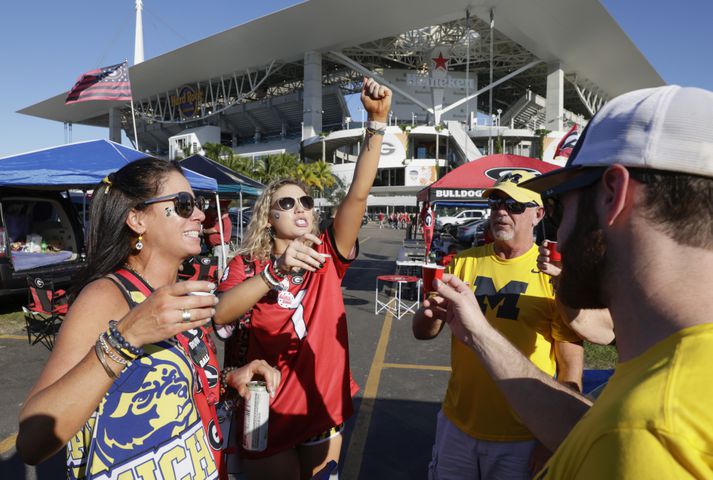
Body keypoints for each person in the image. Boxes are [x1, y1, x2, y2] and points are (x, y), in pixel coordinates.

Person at [430, 85, 713, 478]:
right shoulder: (678, 376)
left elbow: (616, 433)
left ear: (613, 194)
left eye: (562, 202)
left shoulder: (642, 437)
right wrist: (478, 333)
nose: (558, 232)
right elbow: (590, 429)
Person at [16, 158, 280, 480]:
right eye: (184, 204)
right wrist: (125, 338)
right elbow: (32, 440)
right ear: (137, 219)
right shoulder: (106, 297)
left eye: (197, 203)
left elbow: (174, 387)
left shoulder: (177, 294)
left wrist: (228, 380)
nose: (200, 215)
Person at [213, 77, 391, 480]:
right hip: (265, 409)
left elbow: (358, 195)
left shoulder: (328, 254)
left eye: (306, 201)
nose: (300, 207)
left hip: (320, 406)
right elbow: (220, 314)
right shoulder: (248, 265)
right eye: (286, 202)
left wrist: (376, 124)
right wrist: (276, 272)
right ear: (269, 216)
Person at [412, 170, 584, 479]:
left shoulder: (552, 273)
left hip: (523, 436)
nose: (501, 212)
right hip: (458, 426)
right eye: (496, 205)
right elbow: (423, 333)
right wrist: (429, 316)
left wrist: (554, 439)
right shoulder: (463, 262)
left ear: (538, 214)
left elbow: (570, 364)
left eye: (514, 205)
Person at [203, 199, 233, 270]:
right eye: (220, 211)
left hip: (220, 246)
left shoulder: (223, 220)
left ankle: (219, 280)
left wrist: (204, 231)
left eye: (222, 211)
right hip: (220, 246)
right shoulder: (222, 220)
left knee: (218, 266)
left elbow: (214, 230)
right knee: (221, 265)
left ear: (226, 212)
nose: (219, 213)